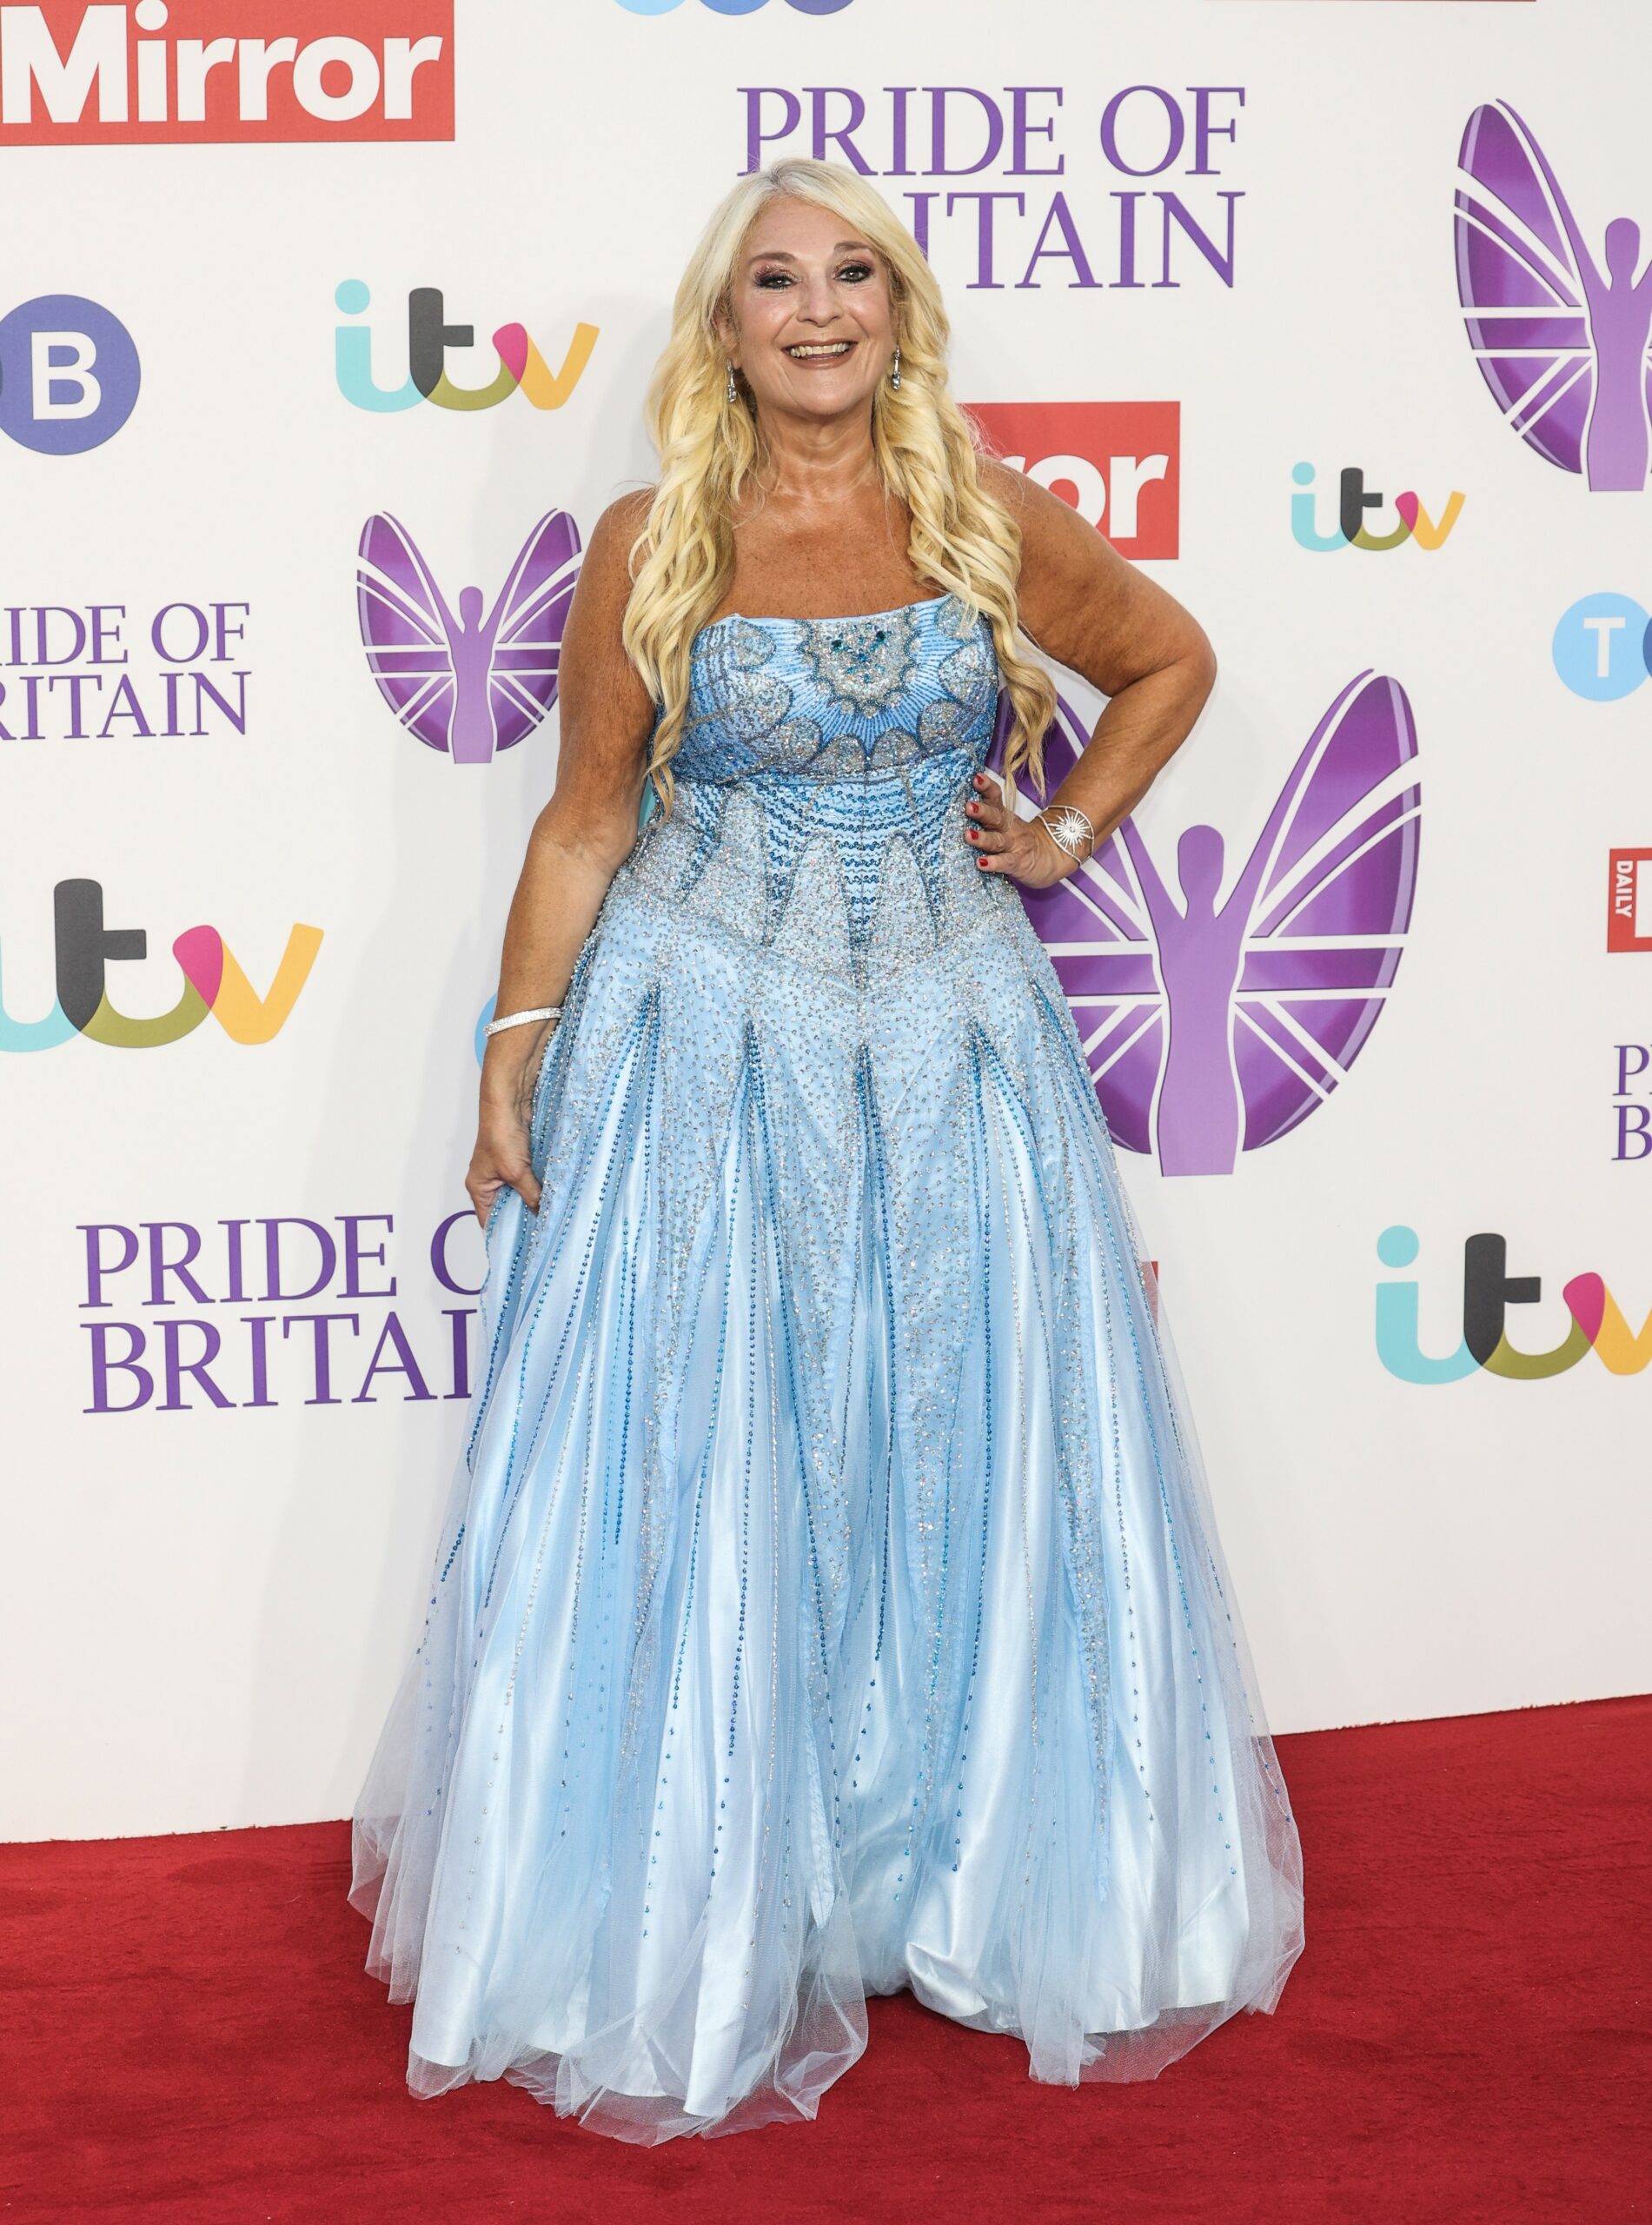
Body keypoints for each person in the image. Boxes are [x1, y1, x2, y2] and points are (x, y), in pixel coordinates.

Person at [348, 156, 1305, 2146]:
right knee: (717, 1451)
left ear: (898, 307)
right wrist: (509, 1060)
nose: (814, 310)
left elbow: (1172, 657)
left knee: (965, 1435)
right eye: (773, 280)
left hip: (960, 1042)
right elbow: (585, 822)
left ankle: (949, 1875)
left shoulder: (979, 515)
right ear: (722, 323)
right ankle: (711, 1887)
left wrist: (1060, 837)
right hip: (702, 1042)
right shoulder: (649, 539)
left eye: (849, 274)